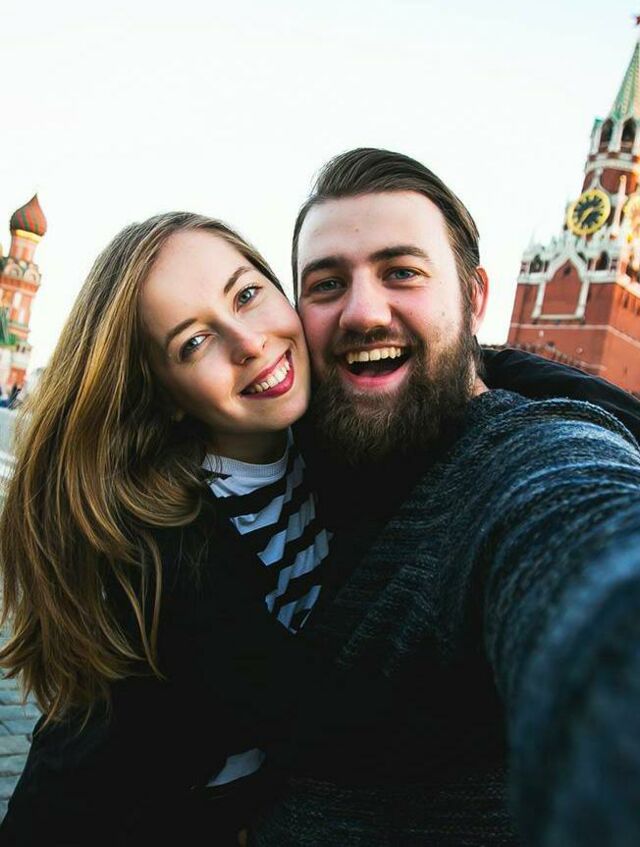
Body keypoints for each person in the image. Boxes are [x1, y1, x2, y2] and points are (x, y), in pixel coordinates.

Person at [243, 148, 640, 846]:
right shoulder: (281, 457)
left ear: (475, 298)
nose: (363, 313)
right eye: (327, 284)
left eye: (401, 272)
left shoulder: (526, 460)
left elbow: (582, 543)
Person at [0, 212, 332, 845]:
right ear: (166, 394)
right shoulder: (165, 547)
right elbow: (318, 706)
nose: (249, 342)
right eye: (194, 342)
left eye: (246, 294)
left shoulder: (320, 437)